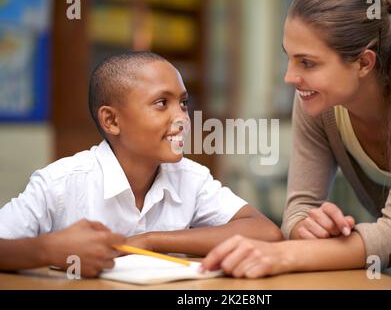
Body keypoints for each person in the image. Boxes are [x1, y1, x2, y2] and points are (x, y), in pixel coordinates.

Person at [201, 0, 391, 286]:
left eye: (307, 63)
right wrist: (308, 228)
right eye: (289, 58)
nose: (290, 77)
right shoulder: (318, 100)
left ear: (363, 63)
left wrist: (282, 255)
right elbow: (298, 208)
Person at [0, 52, 282, 277]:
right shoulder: (61, 183)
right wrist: (49, 249)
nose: (182, 118)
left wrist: (150, 240)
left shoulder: (191, 178)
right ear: (111, 120)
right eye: (162, 103)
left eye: (183, 103)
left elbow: (266, 232)